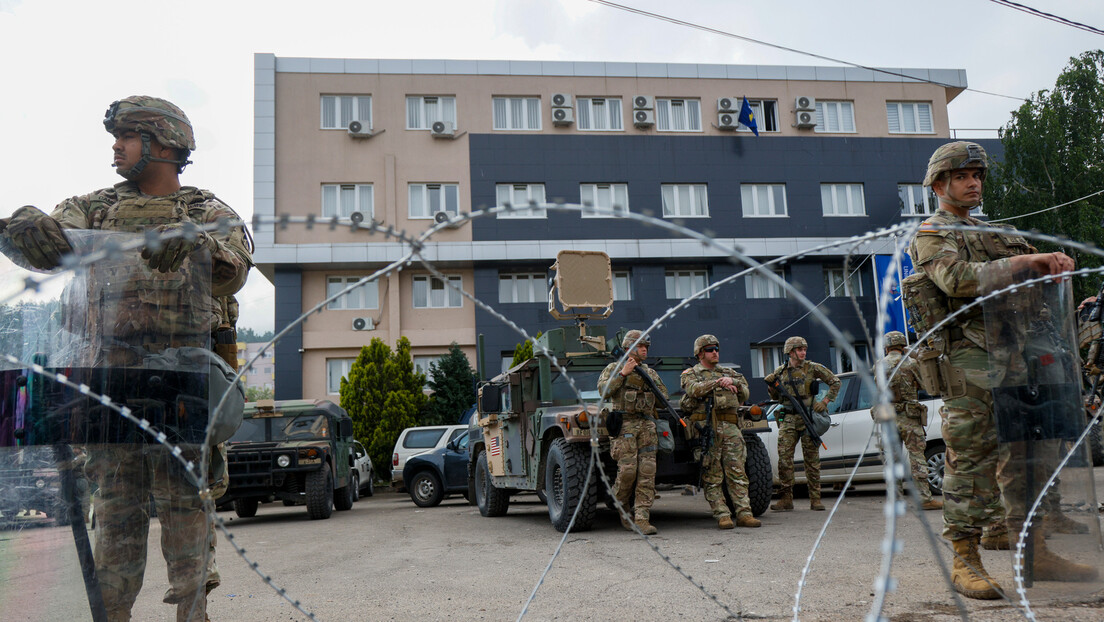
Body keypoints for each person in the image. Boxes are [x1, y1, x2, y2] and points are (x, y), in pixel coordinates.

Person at [0, 96, 253, 620]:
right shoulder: (92, 208)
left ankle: (193, 613)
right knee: (114, 523)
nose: (115, 146)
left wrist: (196, 247)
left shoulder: (207, 212)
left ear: (163, 144)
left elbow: (234, 269)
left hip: (179, 391)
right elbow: (48, 244)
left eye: (127, 136)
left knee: (188, 520)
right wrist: (20, 230)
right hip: (107, 391)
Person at [907, 141, 1095, 600]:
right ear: (939, 184)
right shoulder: (932, 233)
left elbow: (1033, 272)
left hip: (1024, 360)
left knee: (1030, 459)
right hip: (973, 364)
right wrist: (1028, 261)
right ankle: (965, 559)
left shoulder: (997, 233)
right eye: (964, 176)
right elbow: (956, 279)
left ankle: (1036, 552)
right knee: (971, 459)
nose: (974, 183)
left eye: (979, 176)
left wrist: (1053, 268)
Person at [680, 334, 760, 529]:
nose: (715, 352)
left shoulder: (728, 371)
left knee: (737, 472)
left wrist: (734, 382)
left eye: (716, 348)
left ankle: (744, 513)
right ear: (700, 353)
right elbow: (693, 390)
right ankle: (722, 514)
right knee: (713, 474)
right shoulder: (691, 373)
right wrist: (718, 383)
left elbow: (746, 392)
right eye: (710, 349)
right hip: (708, 429)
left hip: (731, 428)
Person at [598, 329, 667, 535]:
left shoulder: (650, 372)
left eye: (646, 347)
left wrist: (649, 384)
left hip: (646, 425)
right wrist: (623, 374)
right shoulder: (613, 367)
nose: (645, 350)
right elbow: (603, 390)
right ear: (628, 348)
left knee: (647, 472)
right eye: (641, 346)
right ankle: (621, 506)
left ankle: (642, 518)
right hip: (624, 425)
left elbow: (664, 397)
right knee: (628, 472)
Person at [764, 336, 840, 512]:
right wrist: (771, 387)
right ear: (790, 352)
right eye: (799, 349)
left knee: (811, 460)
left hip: (808, 417)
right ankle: (786, 499)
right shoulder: (780, 372)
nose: (803, 352)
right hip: (789, 417)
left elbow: (835, 382)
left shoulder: (813, 368)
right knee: (784, 459)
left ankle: (815, 499)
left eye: (804, 349)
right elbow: (776, 398)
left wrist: (826, 401)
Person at [875, 331, 943, 511]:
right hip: (910, 417)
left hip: (889, 417)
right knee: (917, 457)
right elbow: (924, 384)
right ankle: (924, 498)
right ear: (902, 345)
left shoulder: (878, 365)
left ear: (887, 346)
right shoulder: (911, 363)